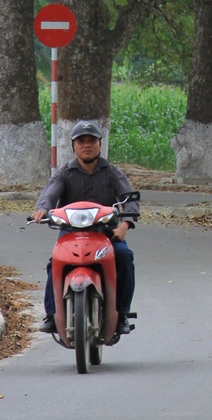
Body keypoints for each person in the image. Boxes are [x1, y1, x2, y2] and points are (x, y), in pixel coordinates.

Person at [32, 121, 138, 334]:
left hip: (106, 234)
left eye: (92, 141)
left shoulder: (112, 172)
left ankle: (122, 313)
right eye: (81, 141)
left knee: (124, 256)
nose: (86, 145)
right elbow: (49, 194)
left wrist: (124, 225)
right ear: (74, 146)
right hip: (71, 233)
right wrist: (42, 209)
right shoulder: (64, 172)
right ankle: (52, 314)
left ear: (100, 144)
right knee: (55, 263)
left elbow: (129, 200)